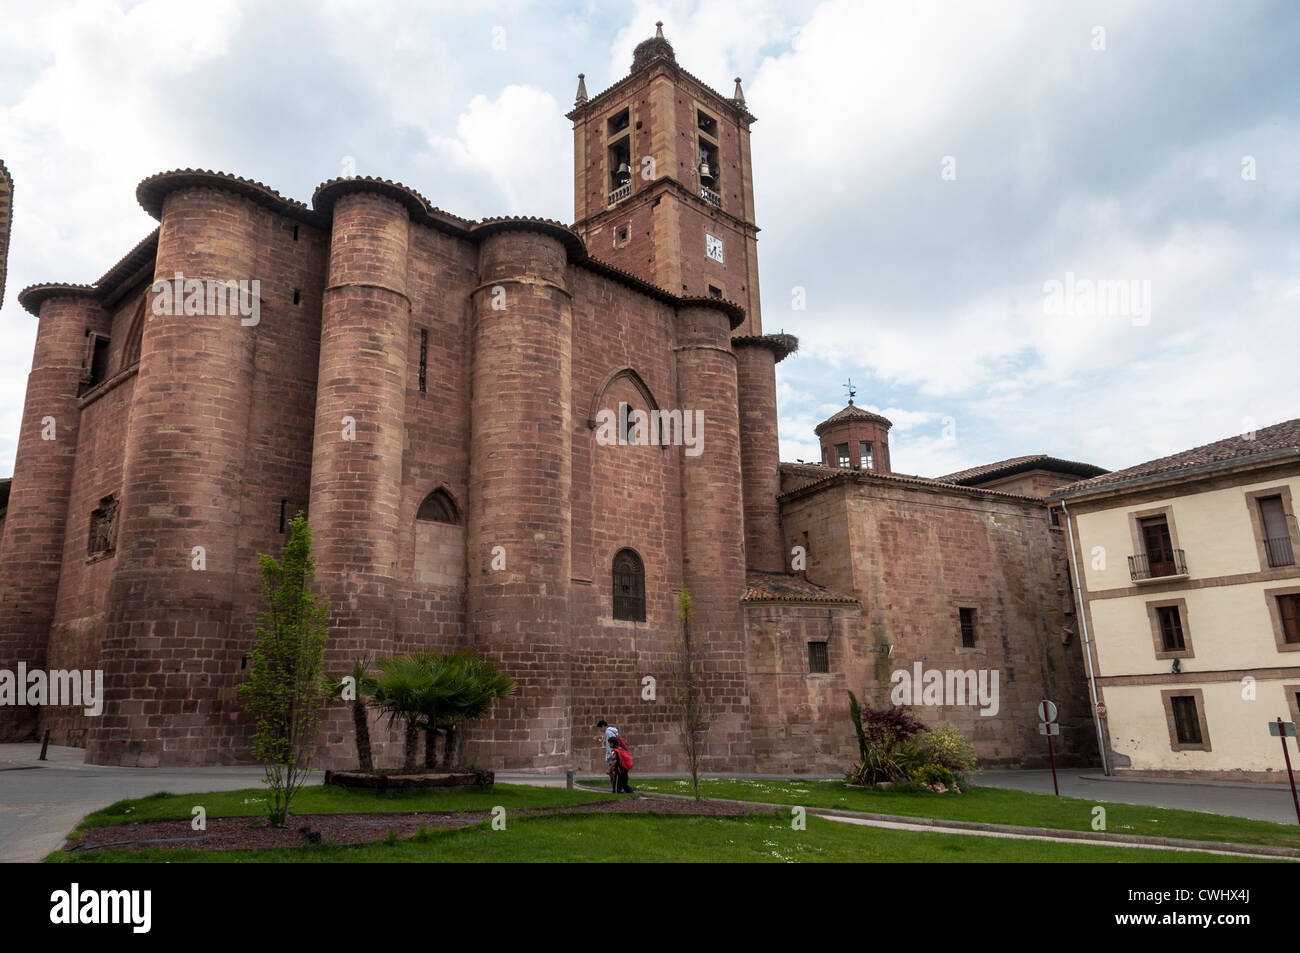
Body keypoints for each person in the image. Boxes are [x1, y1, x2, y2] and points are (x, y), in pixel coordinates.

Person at [596, 719, 633, 793]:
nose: (600, 730)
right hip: (618, 753)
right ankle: (621, 788)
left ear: (603, 726)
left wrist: (610, 757)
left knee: (614, 774)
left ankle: (617, 788)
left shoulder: (608, 732)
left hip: (614, 755)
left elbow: (610, 746)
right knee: (619, 774)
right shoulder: (613, 730)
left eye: (600, 728)